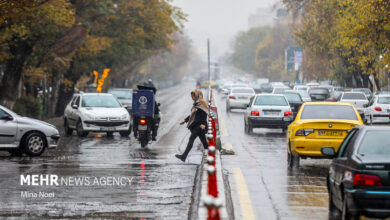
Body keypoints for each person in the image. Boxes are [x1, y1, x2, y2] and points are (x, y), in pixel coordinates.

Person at [176, 90, 209, 162]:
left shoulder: (201, 103)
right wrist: (185, 120)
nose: (192, 97)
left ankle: (183, 156)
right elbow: (192, 115)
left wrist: (203, 124)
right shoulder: (196, 104)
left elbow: (205, 114)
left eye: (193, 96)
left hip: (200, 126)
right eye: (191, 96)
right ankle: (211, 155)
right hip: (197, 125)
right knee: (204, 143)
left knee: (191, 140)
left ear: (197, 95)